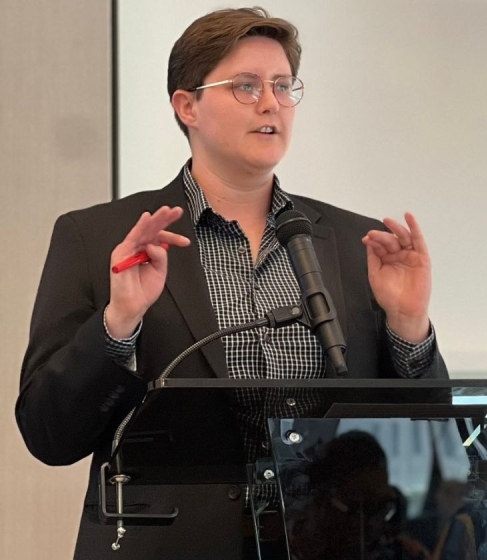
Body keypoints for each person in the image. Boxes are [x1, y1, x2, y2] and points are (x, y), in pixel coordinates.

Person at [15, 7, 447, 560]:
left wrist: (409, 328)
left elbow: (434, 433)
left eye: (283, 86)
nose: (271, 103)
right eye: (245, 86)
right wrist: (117, 325)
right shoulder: (99, 237)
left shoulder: (358, 243)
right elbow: (49, 437)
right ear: (186, 105)